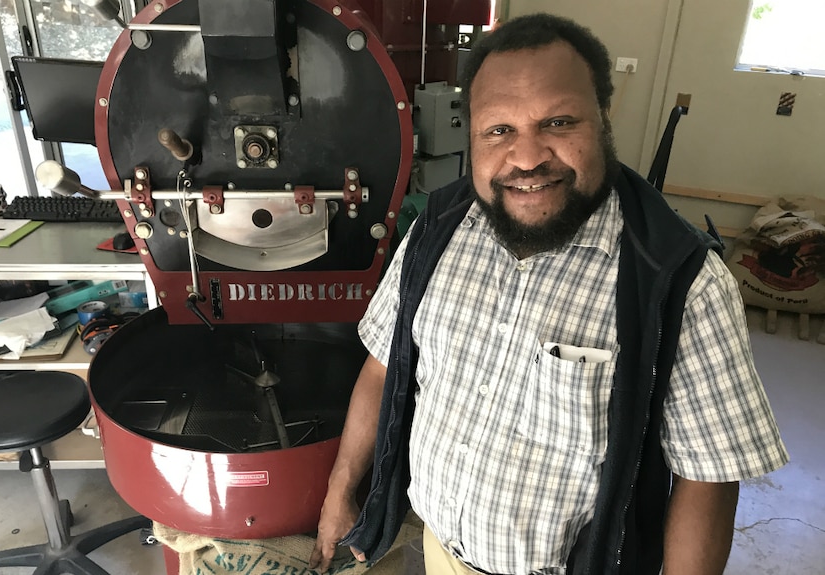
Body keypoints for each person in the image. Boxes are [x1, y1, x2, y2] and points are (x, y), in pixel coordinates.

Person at [309, 12, 788, 575]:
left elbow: (706, 477)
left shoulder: (682, 284)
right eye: (499, 130)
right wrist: (341, 490)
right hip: (437, 550)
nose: (528, 157)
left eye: (558, 123)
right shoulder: (436, 230)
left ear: (604, 120)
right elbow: (383, 365)